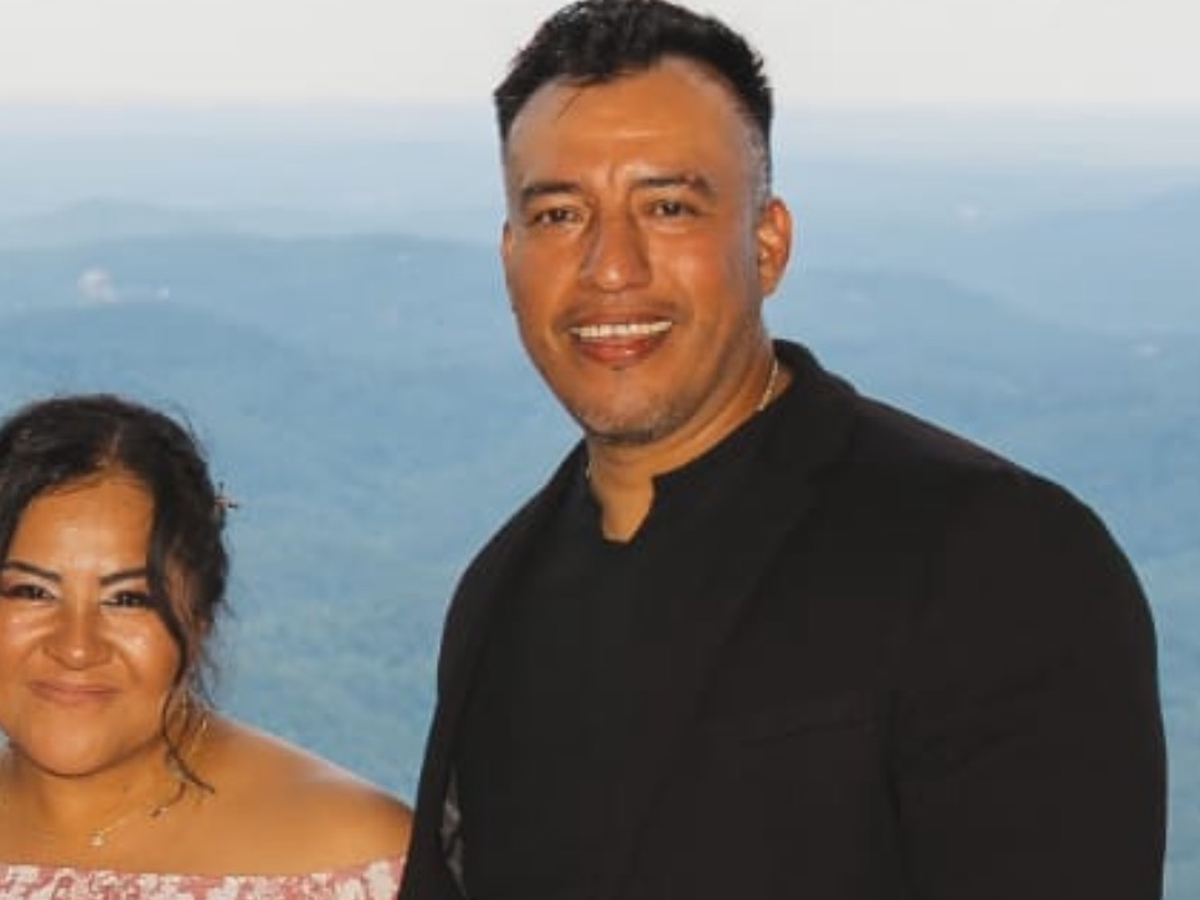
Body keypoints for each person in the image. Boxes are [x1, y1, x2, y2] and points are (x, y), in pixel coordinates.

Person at [401, 1, 1167, 898]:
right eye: (561, 214)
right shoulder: (501, 595)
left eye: (668, 207)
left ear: (767, 245)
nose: (612, 266)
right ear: (511, 258)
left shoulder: (993, 557)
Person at [0, 394, 411, 898]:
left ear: (201, 615)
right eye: (32, 592)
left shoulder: (357, 862)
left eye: (128, 599)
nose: (76, 647)